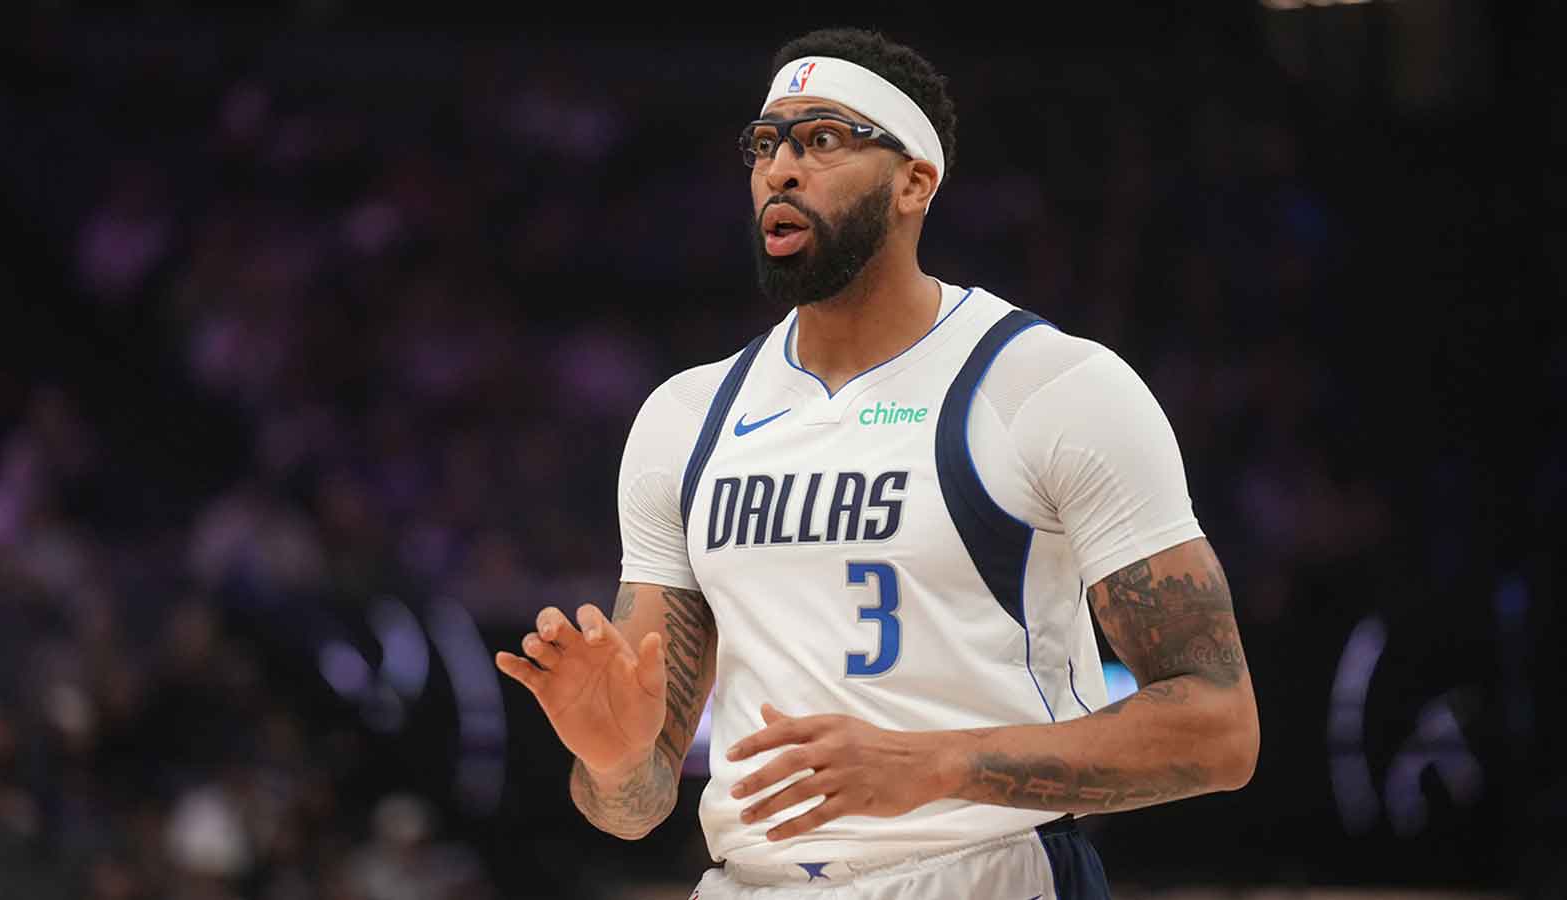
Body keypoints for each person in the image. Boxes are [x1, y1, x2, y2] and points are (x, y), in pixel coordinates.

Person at [495, 27, 1259, 899]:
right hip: (750, 882)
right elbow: (632, 808)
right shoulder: (685, 416)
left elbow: (1219, 731)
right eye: (765, 143)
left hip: (987, 874)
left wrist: (935, 765)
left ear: (915, 182)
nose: (781, 168)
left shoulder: (1052, 385)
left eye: (823, 139)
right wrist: (616, 761)